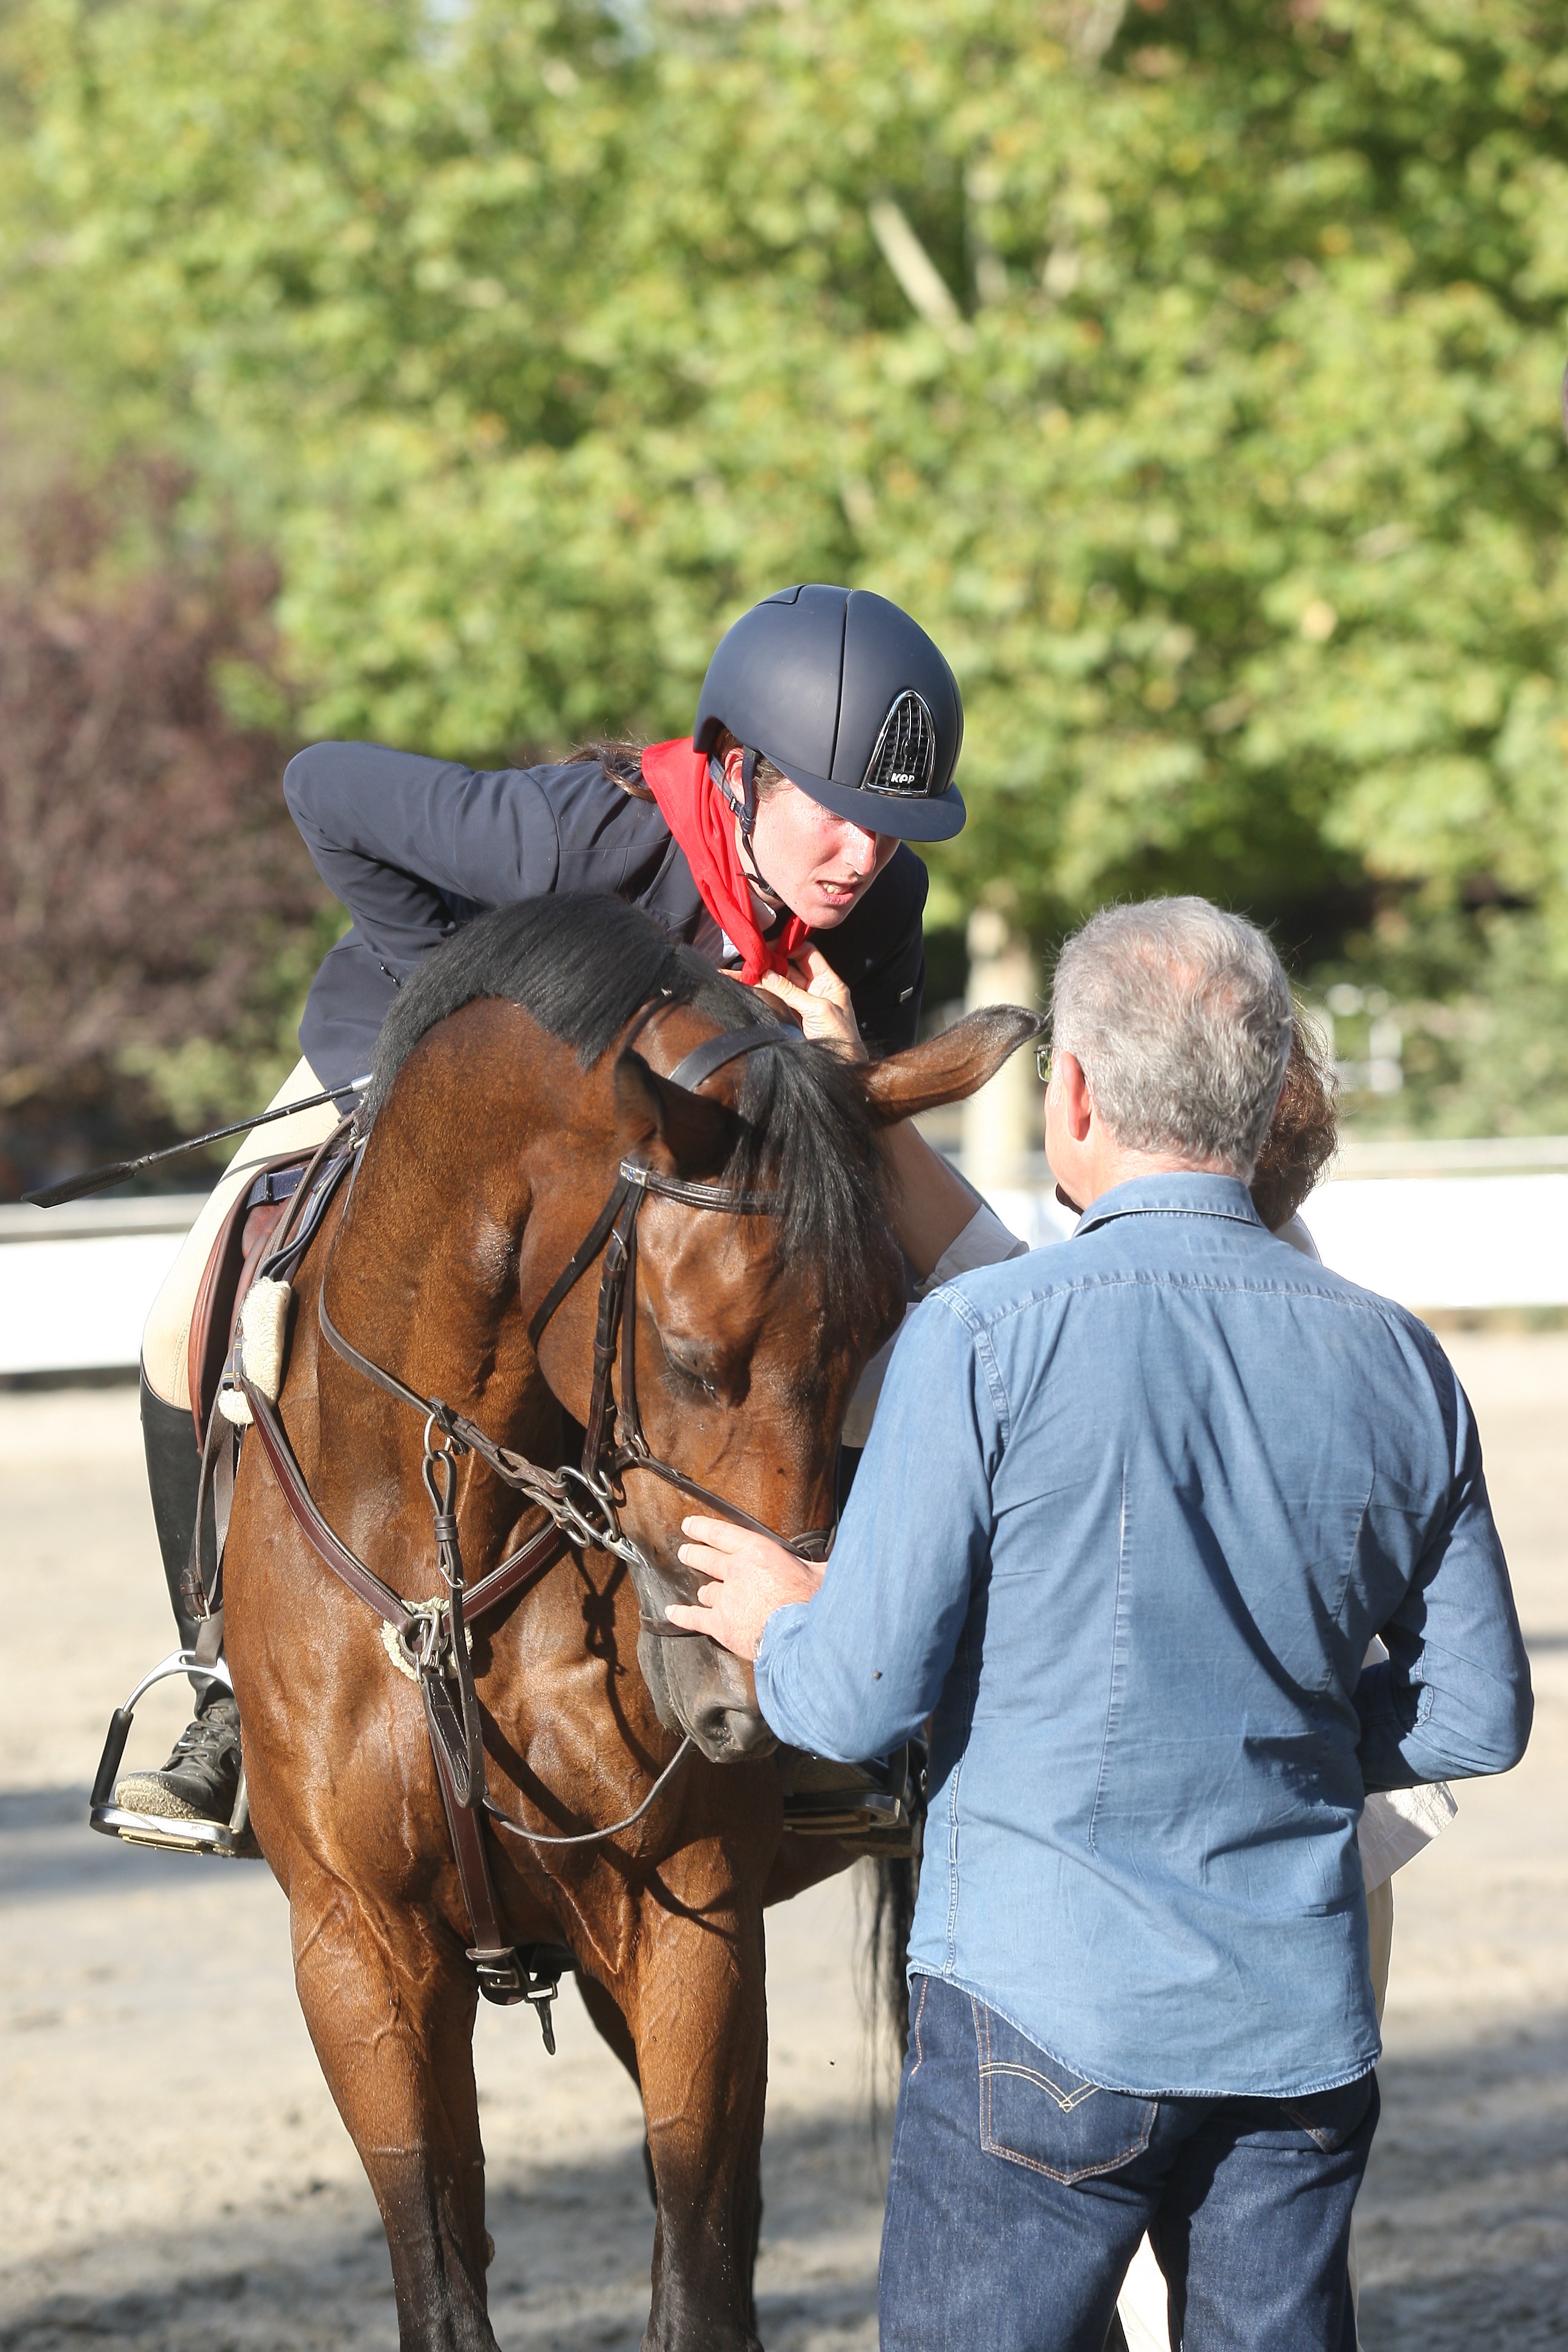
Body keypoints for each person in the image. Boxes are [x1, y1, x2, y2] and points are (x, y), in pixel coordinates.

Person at [667, 895, 1533, 2352]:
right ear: (1265, 1101)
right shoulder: (1401, 1360)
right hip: (1298, 2027)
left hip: (1041, 2008)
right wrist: (1280, 1740)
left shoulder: (984, 1338)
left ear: (1070, 1094)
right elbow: (1474, 1717)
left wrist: (782, 1626)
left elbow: (853, 1702)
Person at [119, 583, 987, 1832]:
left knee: (833, 1334)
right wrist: (463, 1028)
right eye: (838, 819)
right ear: (739, 774)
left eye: (892, 830)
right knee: (184, 1315)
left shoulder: (878, 904)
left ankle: (812, 1666)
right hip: (406, 1065)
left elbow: (830, 1140)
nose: (865, 858)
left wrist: (847, 1070)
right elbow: (323, 786)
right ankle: (217, 1683)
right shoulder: (571, 837)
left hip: (665, 1151)